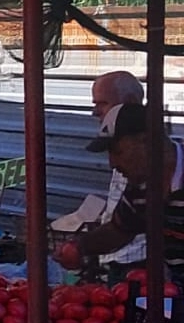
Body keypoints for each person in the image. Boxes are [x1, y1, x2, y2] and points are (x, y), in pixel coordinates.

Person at [57, 102, 184, 275]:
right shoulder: (140, 188)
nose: (112, 164)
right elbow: (119, 230)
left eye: (117, 152)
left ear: (147, 141)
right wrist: (80, 246)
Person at [90, 70, 146, 265]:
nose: (95, 112)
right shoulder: (118, 140)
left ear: (130, 101)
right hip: (117, 259)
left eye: (102, 103)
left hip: (139, 261)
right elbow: (122, 224)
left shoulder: (138, 155)